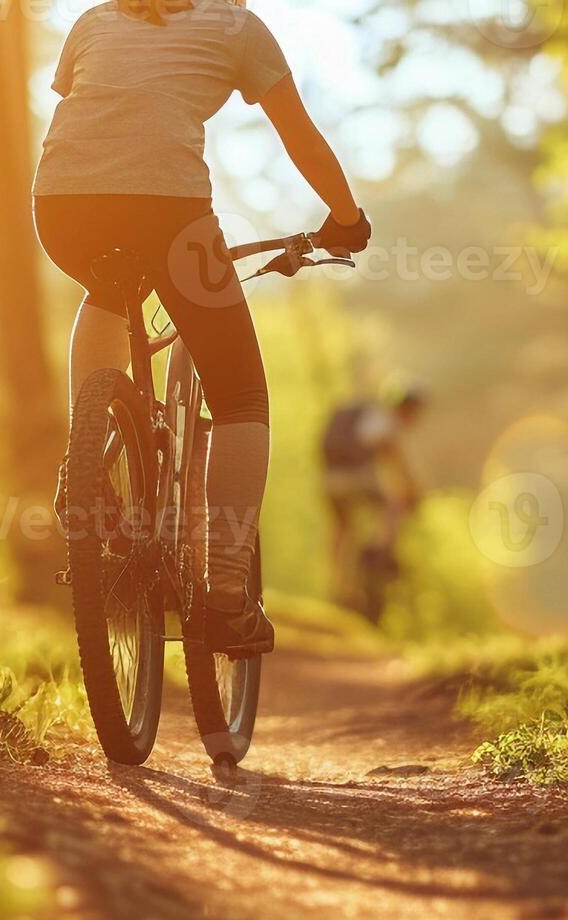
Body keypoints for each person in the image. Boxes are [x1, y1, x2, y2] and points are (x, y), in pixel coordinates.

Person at [34, 0, 371, 656]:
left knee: (105, 288)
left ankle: (89, 457)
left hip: (60, 211)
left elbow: (92, 118)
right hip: (168, 216)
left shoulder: (96, 20)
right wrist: (346, 217)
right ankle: (224, 599)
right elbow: (298, 134)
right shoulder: (238, 27)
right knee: (241, 395)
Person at [318, 385, 423, 614]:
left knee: (343, 529)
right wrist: (413, 493)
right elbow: (395, 460)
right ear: (408, 408)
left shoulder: (365, 416)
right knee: (394, 502)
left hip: (330, 481)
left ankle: (339, 586)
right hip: (358, 480)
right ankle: (380, 551)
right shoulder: (386, 421)